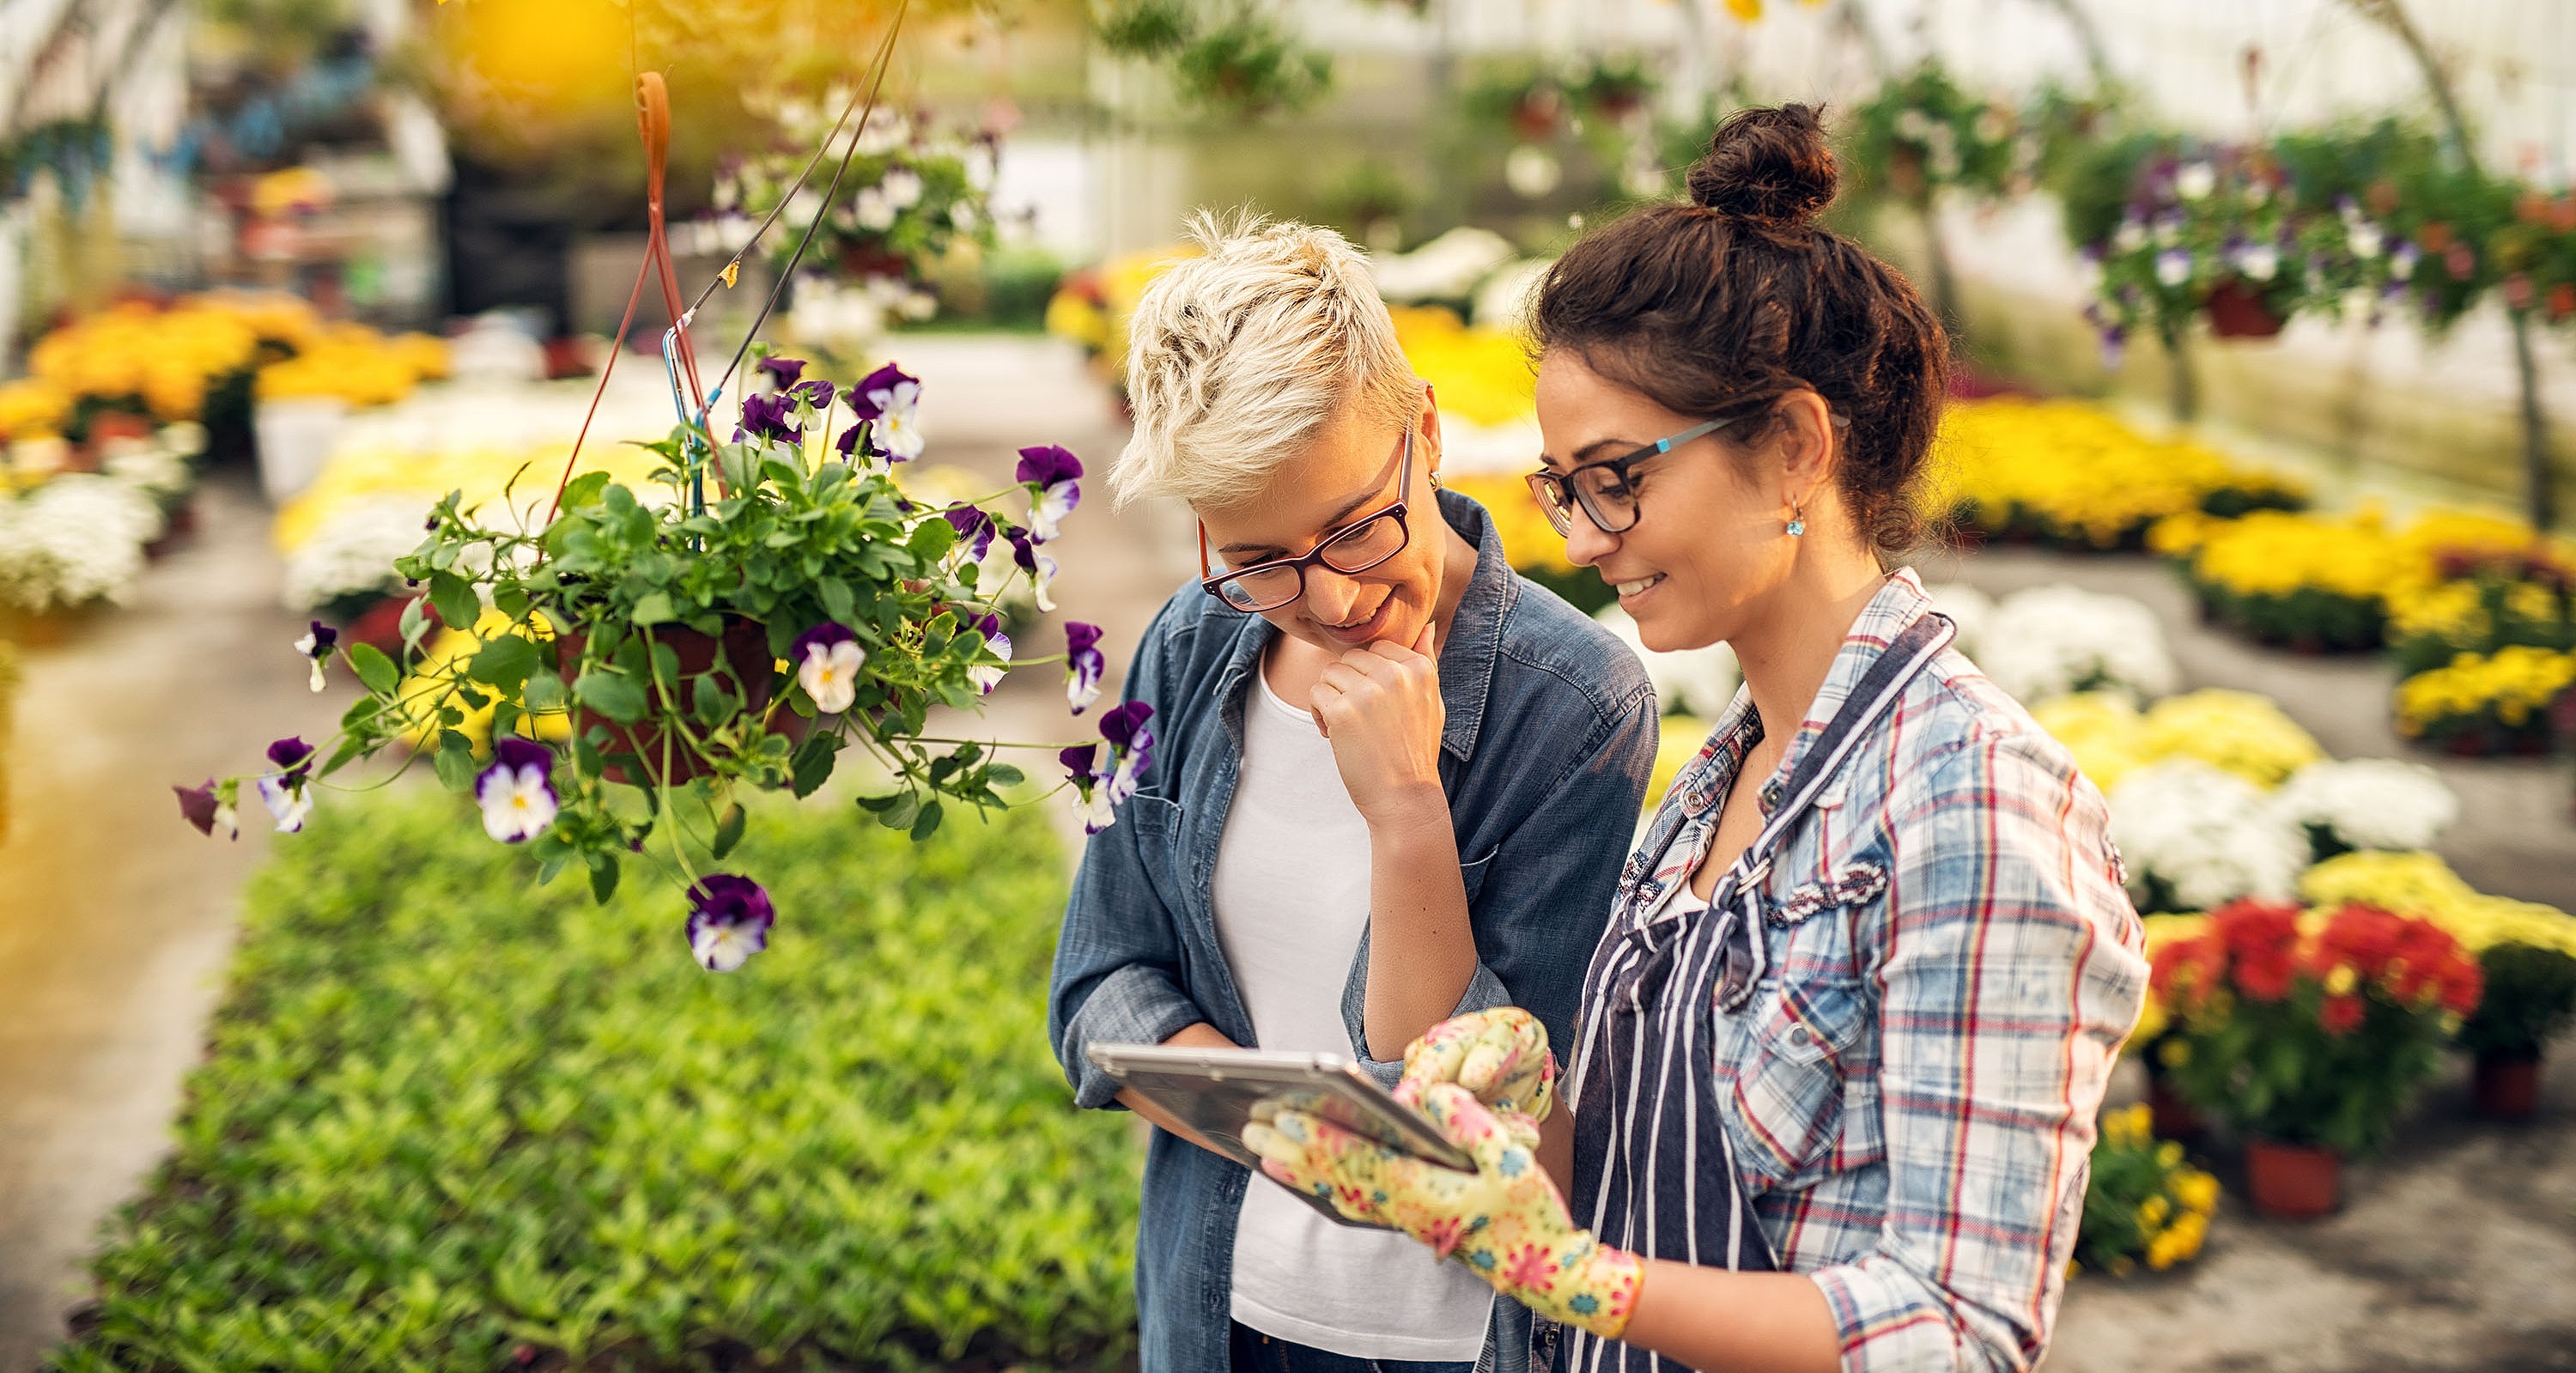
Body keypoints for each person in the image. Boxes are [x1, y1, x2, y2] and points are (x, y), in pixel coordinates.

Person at [1248, 106, 2148, 1373]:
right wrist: (1513, 1109)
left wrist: (1573, 1278)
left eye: (1617, 477)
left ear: (1794, 449)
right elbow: (1629, 1198)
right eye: (1562, 486)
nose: (1579, 538)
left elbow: (1959, 1325)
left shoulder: (1974, 806)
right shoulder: (1719, 782)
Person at [1048, 214, 1662, 1373]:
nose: (1330, 602)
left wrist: (1407, 812)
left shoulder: (1574, 705)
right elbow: (1099, 983)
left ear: (1424, 430)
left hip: (1444, 1342)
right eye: (1259, 560)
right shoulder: (1191, 646)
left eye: (1354, 529)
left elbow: (1486, 1120)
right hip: (1213, 1309)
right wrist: (1295, 1144)